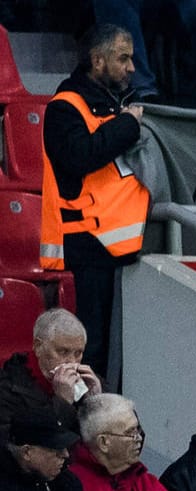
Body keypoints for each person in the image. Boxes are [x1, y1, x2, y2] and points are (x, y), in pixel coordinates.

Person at [41, 25, 150, 385]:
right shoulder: (64, 108)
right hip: (88, 243)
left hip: (125, 244)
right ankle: (88, 424)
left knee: (123, 347)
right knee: (94, 348)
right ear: (97, 60)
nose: (132, 67)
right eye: (123, 58)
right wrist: (126, 126)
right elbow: (80, 157)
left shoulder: (117, 103)